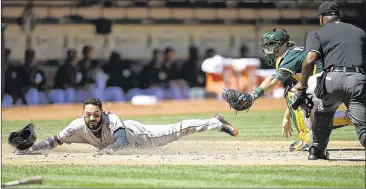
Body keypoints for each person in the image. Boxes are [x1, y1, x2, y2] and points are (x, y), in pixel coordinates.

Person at [222, 28, 352, 152]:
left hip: (325, 83)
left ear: (283, 44)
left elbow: (275, 81)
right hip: (336, 83)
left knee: (294, 94)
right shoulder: (293, 54)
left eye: (271, 44)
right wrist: (286, 118)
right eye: (267, 45)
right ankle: (352, 118)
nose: (268, 49)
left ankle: (307, 140)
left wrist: (252, 95)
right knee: (310, 111)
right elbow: (293, 91)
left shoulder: (291, 54)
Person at [15, 97, 238, 155]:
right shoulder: (76, 126)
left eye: (95, 114)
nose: (92, 118)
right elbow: (54, 141)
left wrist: (107, 153)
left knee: (179, 128)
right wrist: (31, 150)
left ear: (102, 113)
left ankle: (216, 123)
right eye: (88, 114)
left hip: (140, 136)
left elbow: (120, 141)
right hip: (128, 142)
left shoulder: (112, 120)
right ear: (82, 115)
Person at [294, 1, 366, 160]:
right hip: (358, 79)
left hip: (332, 79)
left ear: (322, 19)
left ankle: (316, 151)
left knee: (323, 114)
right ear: (338, 16)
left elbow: (310, 58)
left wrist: (303, 83)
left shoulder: (317, 34)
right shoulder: (359, 32)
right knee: (362, 126)